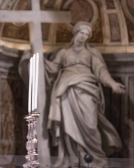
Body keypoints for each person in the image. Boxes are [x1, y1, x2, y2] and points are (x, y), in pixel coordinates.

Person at [45, 21, 125, 168]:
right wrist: (37, 61)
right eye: (82, 33)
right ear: (75, 33)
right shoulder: (63, 52)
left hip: (87, 89)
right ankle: (72, 158)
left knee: (90, 124)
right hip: (66, 90)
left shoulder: (91, 52)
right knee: (68, 125)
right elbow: (52, 69)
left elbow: (101, 71)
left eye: (87, 34)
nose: (84, 36)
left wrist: (113, 84)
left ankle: (97, 160)